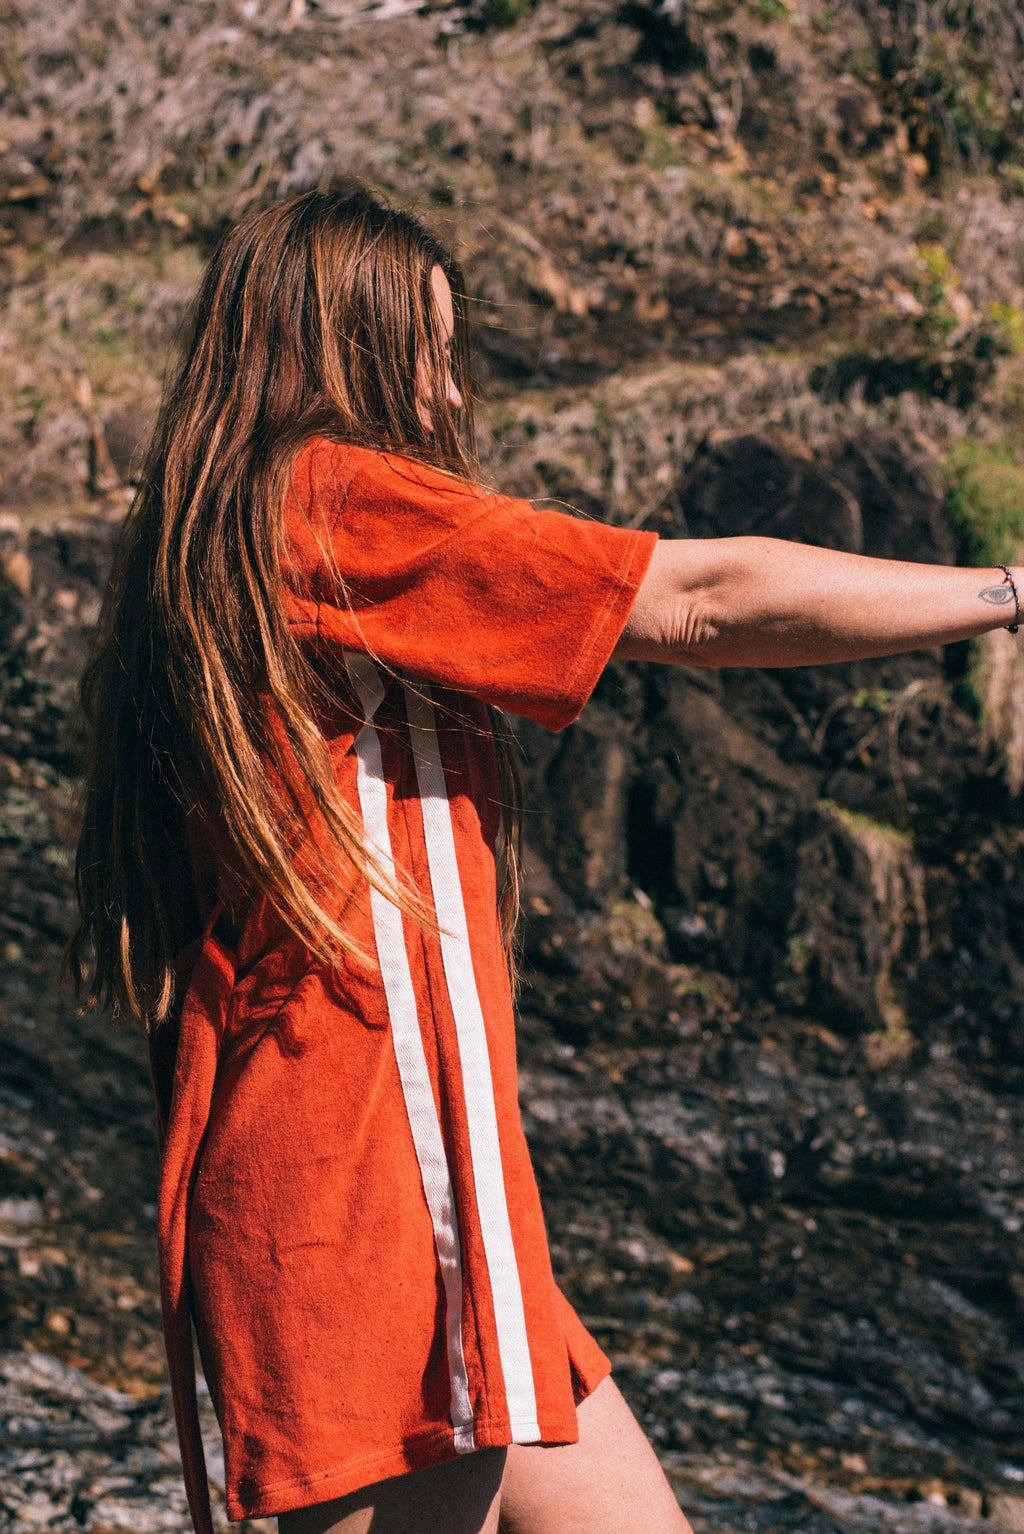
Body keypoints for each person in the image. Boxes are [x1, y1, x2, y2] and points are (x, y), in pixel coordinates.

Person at [69, 183, 1024, 1534]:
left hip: (418, 1191)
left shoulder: (231, 533)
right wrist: (1003, 596)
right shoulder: (330, 504)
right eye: (427, 355)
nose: (451, 398)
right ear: (339, 346)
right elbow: (693, 601)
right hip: (373, 1190)